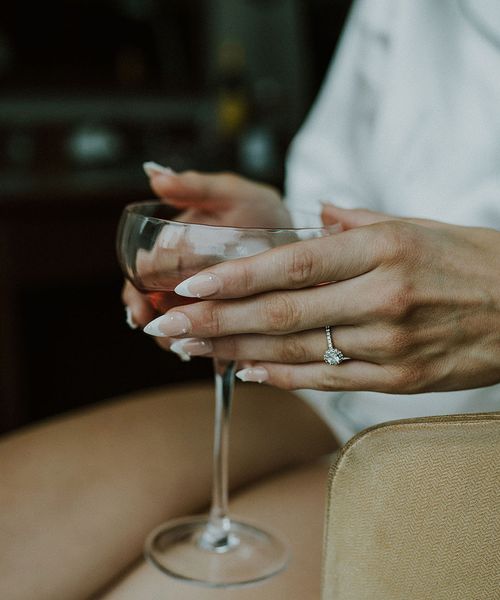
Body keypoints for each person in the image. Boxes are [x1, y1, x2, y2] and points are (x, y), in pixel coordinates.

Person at [1, 1, 500, 598]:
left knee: (173, 589)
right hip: (342, 387)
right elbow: (341, 187)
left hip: (481, 425)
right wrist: (277, 237)